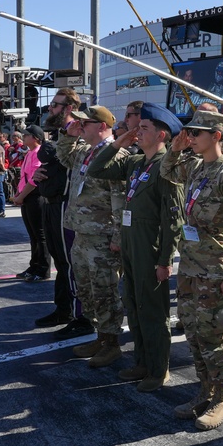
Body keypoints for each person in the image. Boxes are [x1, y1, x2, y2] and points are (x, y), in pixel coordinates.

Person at [160, 109, 223, 431]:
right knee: (193, 332)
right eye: (188, 132)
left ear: (216, 136)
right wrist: (175, 148)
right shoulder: (198, 167)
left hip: (215, 270)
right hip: (189, 266)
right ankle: (205, 391)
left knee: (214, 336)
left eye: (196, 133)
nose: (190, 137)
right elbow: (167, 171)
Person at [87, 102, 185, 391]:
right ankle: (142, 362)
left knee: (153, 311)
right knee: (135, 305)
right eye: (137, 127)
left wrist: (166, 260)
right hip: (130, 244)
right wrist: (118, 142)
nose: (136, 132)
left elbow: (173, 219)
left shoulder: (167, 167)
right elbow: (97, 168)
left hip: (150, 247)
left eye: (144, 128)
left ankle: (158, 368)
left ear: (162, 136)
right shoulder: (135, 163)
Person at [55, 106, 126, 368]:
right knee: (86, 290)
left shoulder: (117, 156)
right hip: (82, 233)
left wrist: (118, 236)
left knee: (105, 291)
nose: (81, 126)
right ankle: (100, 336)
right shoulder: (85, 151)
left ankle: (112, 344)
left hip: (103, 236)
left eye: (86, 123)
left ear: (102, 126)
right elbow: (63, 156)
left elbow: (120, 201)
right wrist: (68, 134)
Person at [33, 91, 89, 338]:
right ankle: (64, 308)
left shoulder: (81, 133)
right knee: (60, 259)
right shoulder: (61, 135)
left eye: (55, 105)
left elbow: (71, 167)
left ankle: (80, 315)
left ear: (68, 108)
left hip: (69, 205)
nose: (50, 109)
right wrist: (39, 175)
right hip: (53, 203)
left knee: (70, 262)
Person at [11, 126, 51, 282]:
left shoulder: (38, 154)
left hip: (34, 196)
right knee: (33, 235)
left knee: (40, 235)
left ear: (35, 137)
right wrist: (18, 194)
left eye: (26, 135)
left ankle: (43, 268)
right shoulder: (29, 153)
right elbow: (24, 178)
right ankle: (34, 265)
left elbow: (35, 180)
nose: (23, 138)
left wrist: (21, 196)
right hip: (26, 196)